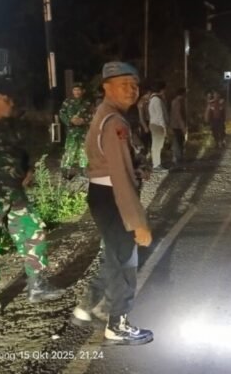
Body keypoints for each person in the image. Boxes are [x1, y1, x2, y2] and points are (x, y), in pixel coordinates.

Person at [0, 76, 65, 315]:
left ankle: (36, 286)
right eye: (6, 99)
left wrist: (28, 169)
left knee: (33, 231)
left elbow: (22, 152)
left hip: (14, 194)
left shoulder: (12, 126)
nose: (11, 103)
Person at [70, 61, 153, 345]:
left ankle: (86, 307)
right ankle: (117, 325)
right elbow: (122, 176)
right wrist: (137, 222)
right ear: (107, 87)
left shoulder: (105, 114)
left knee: (115, 256)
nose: (131, 90)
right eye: (123, 85)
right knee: (126, 262)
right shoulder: (115, 123)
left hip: (103, 195)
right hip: (113, 198)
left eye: (134, 84)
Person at [59, 83, 92, 179]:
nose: (77, 92)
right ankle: (65, 170)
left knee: (84, 150)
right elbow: (62, 113)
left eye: (79, 90)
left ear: (83, 91)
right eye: (75, 90)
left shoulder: (87, 103)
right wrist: (70, 121)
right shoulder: (67, 102)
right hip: (71, 131)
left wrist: (84, 120)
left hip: (84, 131)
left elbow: (93, 114)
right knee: (70, 149)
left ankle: (83, 170)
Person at [148, 81, 169, 171]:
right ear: (161, 89)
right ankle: (156, 164)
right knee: (157, 145)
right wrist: (164, 128)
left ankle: (156, 163)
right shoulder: (157, 100)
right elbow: (160, 115)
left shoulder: (153, 99)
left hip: (154, 124)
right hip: (157, 125)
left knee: (157, 145)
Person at [170, 88, 187, 165]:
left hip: (175, 124)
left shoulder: (174, 101)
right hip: (177, 126)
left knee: (178, 141)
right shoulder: (178, 102)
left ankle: (177, 157)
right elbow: (178, 115)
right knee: (178, 141)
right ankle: (177, 158)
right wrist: (183, 126)